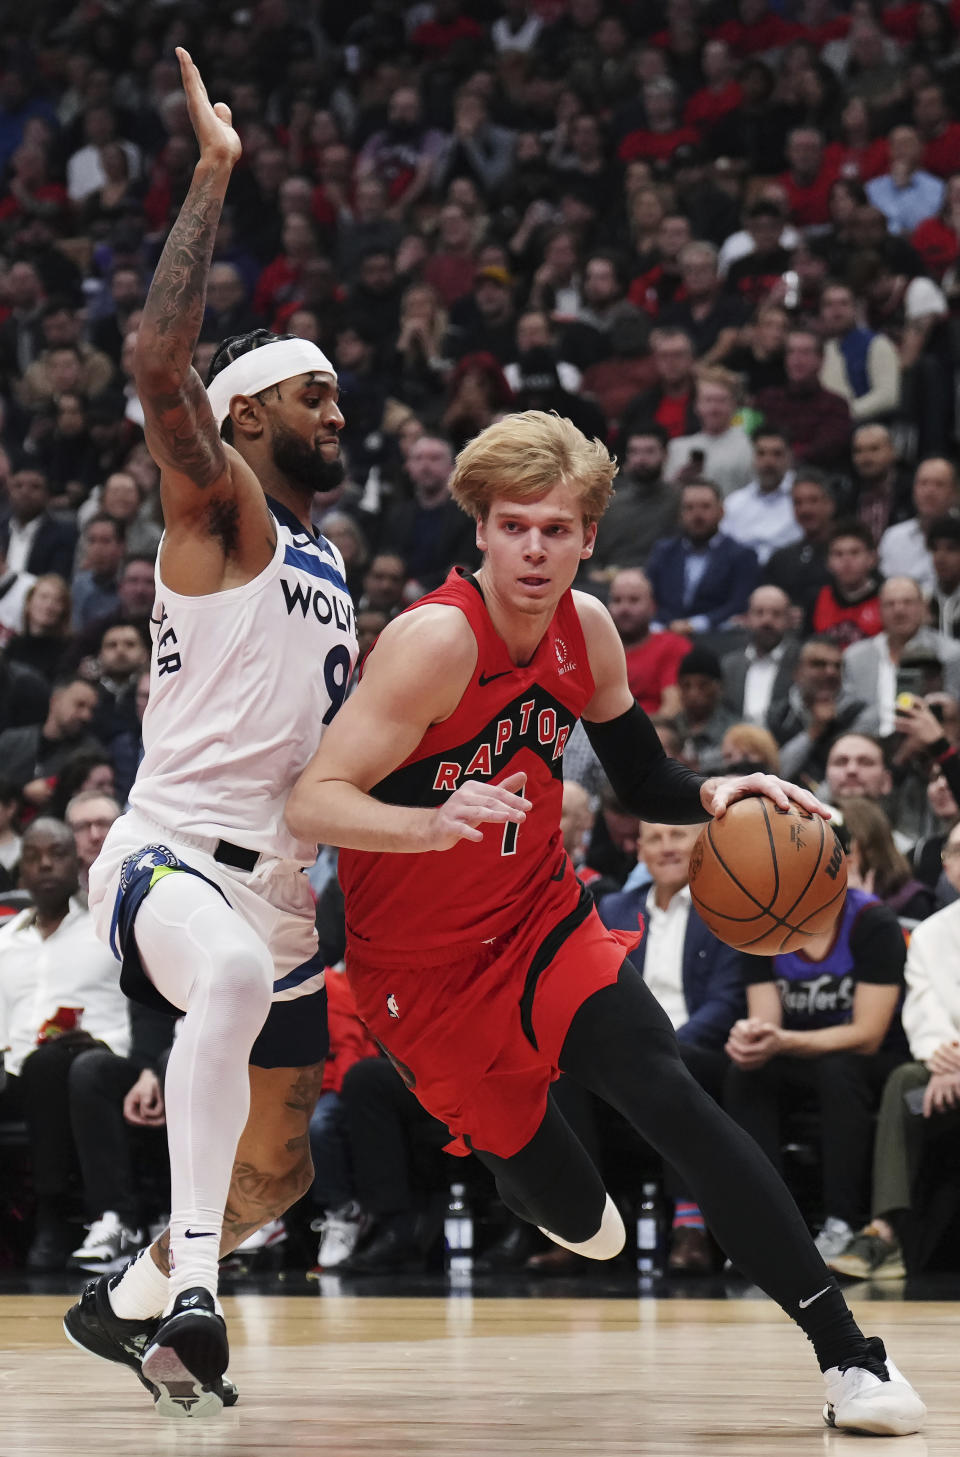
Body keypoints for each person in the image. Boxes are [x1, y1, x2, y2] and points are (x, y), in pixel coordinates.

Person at [286, 407, 924, 1437]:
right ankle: (541, 1188)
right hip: (423, 976)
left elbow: (640, 777)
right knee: (570, 1213)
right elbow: (313, 800)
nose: (535, 547)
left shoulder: (585, 626)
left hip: (542, 919)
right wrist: (427, 818)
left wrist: (719, 790)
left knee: (668, 1090)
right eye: (513, 526)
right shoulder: (435, 639)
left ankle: (850, 1355)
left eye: (557, 527)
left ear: (589, 534)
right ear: (481, 530)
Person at [63, 51, 357, 1419]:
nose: (337, 415)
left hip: (288, 884)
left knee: (284, 1166)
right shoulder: (221, 503)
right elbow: (152, 356)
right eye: (318, 397)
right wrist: (215, 172)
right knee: (226, 981)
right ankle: (190, 1290)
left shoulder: (325, 552)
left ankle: (121, 1304)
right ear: (248, 415)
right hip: (172, 853)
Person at [724, 880, 909, 1266]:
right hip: (797, 1050)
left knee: (838, 1071)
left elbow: (867, 1035)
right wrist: (750, 1038)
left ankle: (842, 1222)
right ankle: (765, 1226)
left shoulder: (872, 921)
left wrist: (782, 1041)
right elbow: (766, 1023)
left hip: (870, 1059)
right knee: (746, 1072)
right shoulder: (760, 922)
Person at [827, 820, 960, 1283]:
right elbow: (924, 1008)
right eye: (956, 852)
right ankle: (886, 1233)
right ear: (946, 866)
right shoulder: (930, 935)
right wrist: (942, 1059)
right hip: (944, 1075)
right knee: (905, 1084)